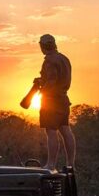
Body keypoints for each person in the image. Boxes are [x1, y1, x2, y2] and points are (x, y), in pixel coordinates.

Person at [34, 34, 75, 170]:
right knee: (65, 130)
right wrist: (41, 80)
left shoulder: (50, 61)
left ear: (42, 46)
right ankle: (71, 164)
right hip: (63, 99)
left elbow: (52, 80)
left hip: (51, 100)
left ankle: (51, 164)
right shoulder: (64, 58)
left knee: (51, 131)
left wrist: (42, 90)